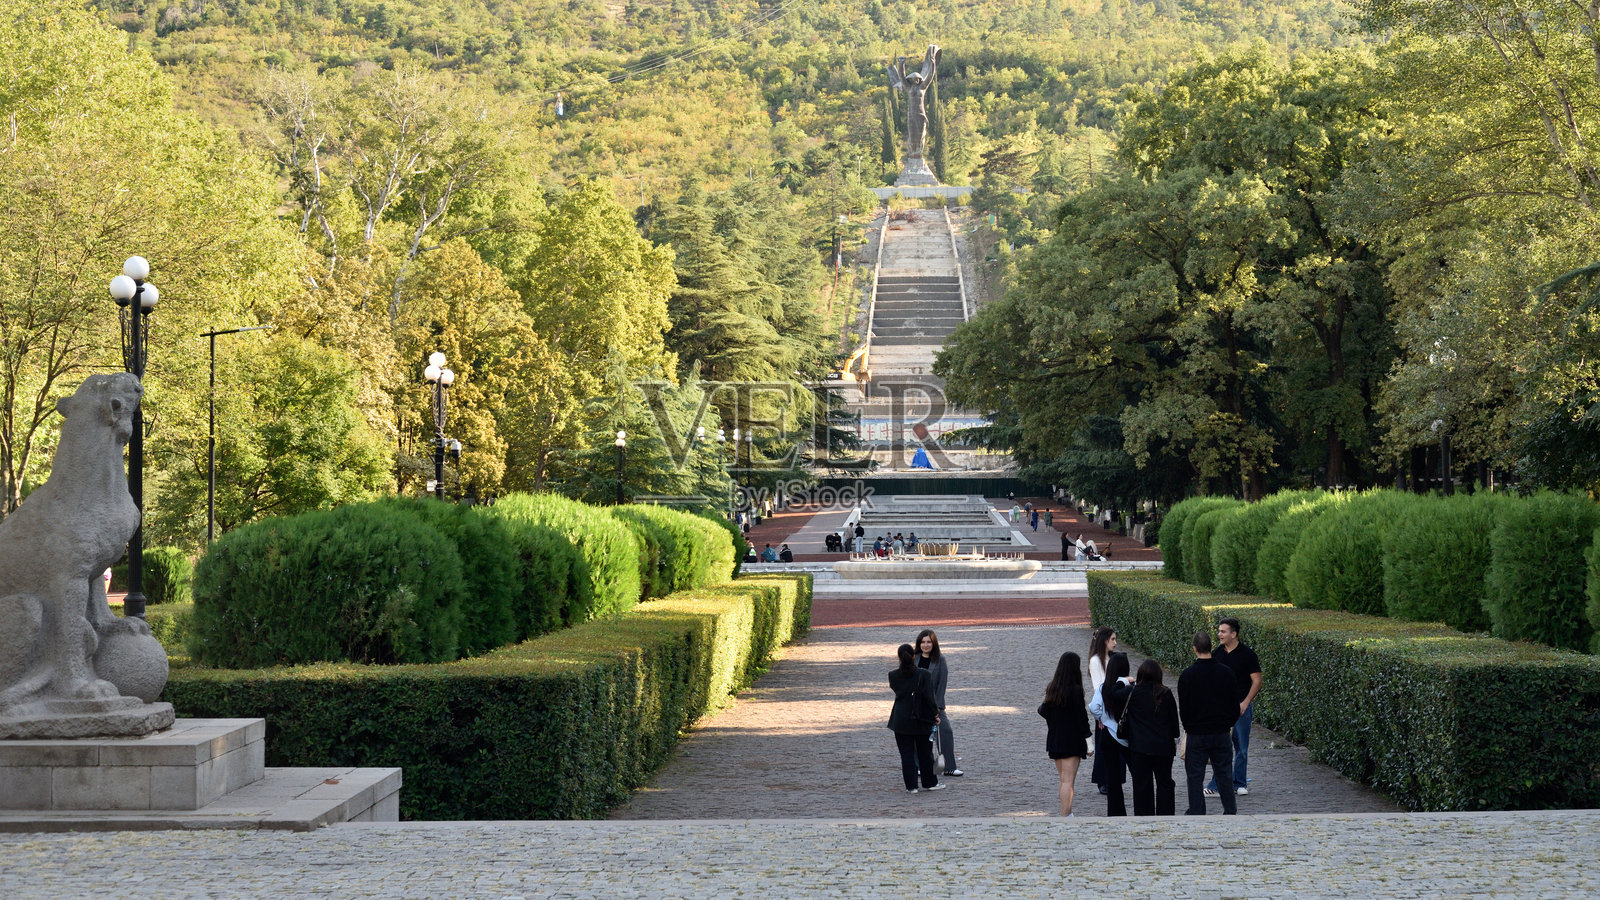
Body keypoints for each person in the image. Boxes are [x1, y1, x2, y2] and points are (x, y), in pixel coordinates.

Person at [1178, 630, 1240, 815]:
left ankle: (1197, 811)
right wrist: (1227, 723)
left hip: (1197, 733)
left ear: (1194, 648)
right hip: (1221, 732)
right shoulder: (1226, 673)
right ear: (1211, 647)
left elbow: (1184, 708)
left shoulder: (1187, 675)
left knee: (1195, 776)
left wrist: (1190, 727)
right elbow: (1233, 706)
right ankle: (1230, 810)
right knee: (1224, 774)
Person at [1207, 617, 1263, 798]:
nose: (1219, 635)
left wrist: (1246, 702)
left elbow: (1257, 681)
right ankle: (1216, 784)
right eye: (1219, 631)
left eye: (1223, 631)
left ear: (1234, 634)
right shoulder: (1217, 654)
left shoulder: (1247, 655)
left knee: (1242, 747)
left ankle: (1239, 782)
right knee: (1220, 747)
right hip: (1221, 709)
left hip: (1241, 707)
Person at [1121, 659, 1179, 816]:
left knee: (1141, 784)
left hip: (1139, 746)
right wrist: (1175, 739)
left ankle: (1143, 816)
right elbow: (1173, 719)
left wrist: (1123, 681)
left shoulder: (1132, 693)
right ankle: (1166, 815)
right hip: (1163, 746)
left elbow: (1112, 692)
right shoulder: (1165, 693)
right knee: (1165, 783)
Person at [1038, 651, 1092, 815]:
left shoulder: (1053, 688)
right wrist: (1088, 739)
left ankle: (1066, 813)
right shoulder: (1075, 690)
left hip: (1055, 739)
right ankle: (1065, 814)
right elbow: (1081, 718)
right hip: (1071, 741)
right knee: (1069, 781)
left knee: (1063, 780)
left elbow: (1043, 710)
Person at [888, 643, 945, 793]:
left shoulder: (893, 675)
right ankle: (929, 782)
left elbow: (898, 691)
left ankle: (911, 786)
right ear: (914, 656)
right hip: (921, 719)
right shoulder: (924, 674)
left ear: (899, 658)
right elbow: (929, 698)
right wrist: (935, 714)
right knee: (925, 754)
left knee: (906, 755)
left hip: (900, 719)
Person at [1087, 651, 1131, 816]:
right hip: (1126, 735)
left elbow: (1093, 707)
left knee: (1112, 779)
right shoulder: (1129, 686)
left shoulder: (1103, 687)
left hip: (1108, 734)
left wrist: (1101, 718)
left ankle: (1116, 812)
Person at [915, 629, 962, 777]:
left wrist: (938, 706)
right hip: (916, 704)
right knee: (917, 736)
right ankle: (919, 767)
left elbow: (942, 684)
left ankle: (949, 767)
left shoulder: (940, 660)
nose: (926, 645)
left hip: (934, 703)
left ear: (934, 643)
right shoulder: (913, 659)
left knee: (945, 731)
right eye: (923, 642)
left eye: (929, 642)